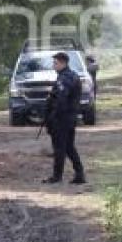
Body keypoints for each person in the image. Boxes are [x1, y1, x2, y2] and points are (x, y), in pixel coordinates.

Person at [42, 52, 86, 184]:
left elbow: (61, 100)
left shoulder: (64, 79)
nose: (53, 65)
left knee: (60, 148)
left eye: (55, 63)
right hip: (70, 118)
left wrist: (53, 116)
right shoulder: (72, 76)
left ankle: (57, 176)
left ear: (63, 63)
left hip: (62, 119)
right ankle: (79, 174)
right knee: (68, 147)